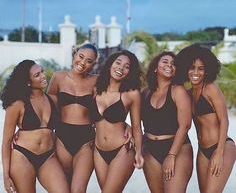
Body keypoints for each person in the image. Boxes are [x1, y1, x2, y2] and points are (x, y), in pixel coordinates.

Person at [1, 60, 69, 193]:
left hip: (48, 156)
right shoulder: (17, 104)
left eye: (42, 72)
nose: (43, 76)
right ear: (28, 82)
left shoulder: (52, 100)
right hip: (22, 157)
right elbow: (6, 142)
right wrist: (5, 175)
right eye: (37, 75)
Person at [174, 44, 236, 193]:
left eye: (200, 68)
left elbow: (224, 120)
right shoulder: (187, 94)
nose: (196, 72)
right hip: (202, 150)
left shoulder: (210, 89)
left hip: (222, 146)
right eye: (192, 67)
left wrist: (219, 153)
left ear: (207, 71)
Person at [47, 43, 98, 193]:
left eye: (89, 61)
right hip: (62, 137)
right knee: (63, 188)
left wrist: (125, 125)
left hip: (86, 139)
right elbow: (45, 106)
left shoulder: (97, 81)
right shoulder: (58, 77)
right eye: (80, 57)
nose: (82, 63)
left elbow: (113, 101)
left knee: (78, 190)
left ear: (94, 64)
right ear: (74, 55)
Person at [91, 50, 144, 192]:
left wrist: (139, 152)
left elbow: (137, 126)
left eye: (127, 66)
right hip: (98, 151)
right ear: (110, 65)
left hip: (122, 150)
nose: (121, 68)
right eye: (118, 63)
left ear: (130, 72)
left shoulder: (132, 94)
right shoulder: (96, 89)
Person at [141, 51, 193, 193]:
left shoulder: (178, 91)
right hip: (150, 149)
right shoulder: (145, 93)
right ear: (155, 67)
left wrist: (171, 155)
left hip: (178, 148)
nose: (169, 65)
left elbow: (185, 125)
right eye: (165, 61)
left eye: (173, 64)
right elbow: (133, 118)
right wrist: (127, 128)